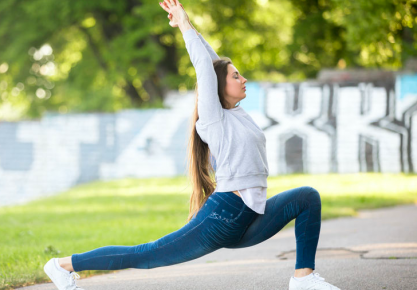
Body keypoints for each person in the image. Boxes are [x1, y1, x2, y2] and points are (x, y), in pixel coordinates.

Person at [43, 1, 342, 289]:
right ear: (219, 87)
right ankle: (63, 265)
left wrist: (190, 28)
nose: (244, 78)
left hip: (251, 214)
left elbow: (211, 61)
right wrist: (183, 25)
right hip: (224, 216)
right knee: (148, 254)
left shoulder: (236, 114)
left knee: (306, 198)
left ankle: (303, 279)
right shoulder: (213, 120)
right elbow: (204, 66)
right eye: (236, 75)